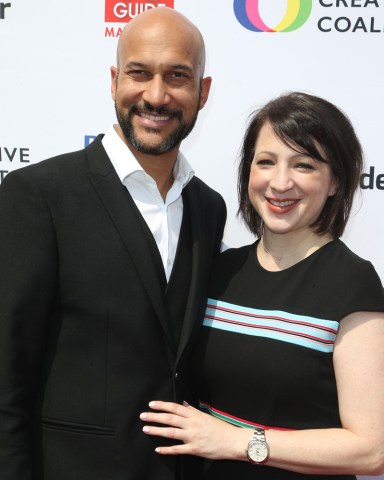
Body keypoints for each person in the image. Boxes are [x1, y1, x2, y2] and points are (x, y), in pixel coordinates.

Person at [0, 7, 226, 480]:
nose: (156, 95)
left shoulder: (209, 207)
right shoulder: (39, 195)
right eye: (139, 74)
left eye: (178, 76)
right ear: (113, 80)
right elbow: (7, 370)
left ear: (202, 93)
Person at [140, 92, 384, 479]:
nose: (280, 182)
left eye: (304, 165)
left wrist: (238, 441)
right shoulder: (220, 271)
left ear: (335, 180)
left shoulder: (353, 283)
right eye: (266, 162)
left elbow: (371, 449)